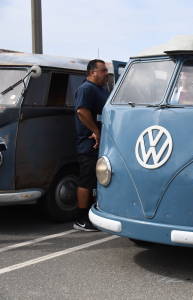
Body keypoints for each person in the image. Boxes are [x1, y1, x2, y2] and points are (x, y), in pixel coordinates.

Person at [73, 59, 109, 231]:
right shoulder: (86, 89)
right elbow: (81, 111)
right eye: (103, 71)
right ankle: (80, 219)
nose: (106, 73)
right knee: (86, 180)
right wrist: (96, 130)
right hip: (89, 144)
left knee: (99, 179)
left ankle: (95, 213)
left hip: (102, 144)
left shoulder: (102, 89)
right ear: (92, 72)